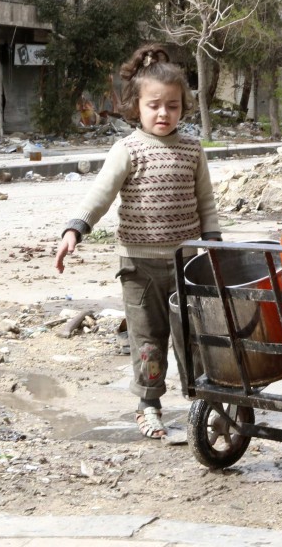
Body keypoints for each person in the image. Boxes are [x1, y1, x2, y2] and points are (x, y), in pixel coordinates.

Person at [55, 44, 221, 439]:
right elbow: (101, 194)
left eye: (173, 106)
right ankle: (149, 405)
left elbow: (207, 204)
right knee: (148, 340)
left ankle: (206, 403)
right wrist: (75, 228)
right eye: (154, 106)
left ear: (184, 108)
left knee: (194, 337)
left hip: (188, 264)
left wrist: (215, 246)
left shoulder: (192, 150)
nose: (164, 114)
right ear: (136, 107)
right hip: (139, 267)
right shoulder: (127, 149)